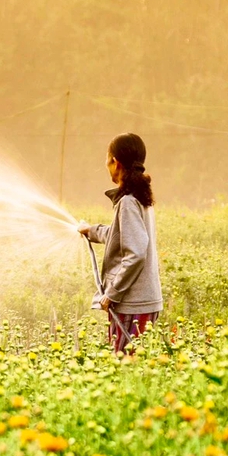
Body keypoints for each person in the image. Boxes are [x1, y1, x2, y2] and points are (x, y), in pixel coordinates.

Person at [76, 132, 162, 354]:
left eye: (107, 159)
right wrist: (91, 231)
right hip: (145, 302)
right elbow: (120, 236)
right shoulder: (139, 198)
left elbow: (135, 254)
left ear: (115, 162)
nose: (106, 165)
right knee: (138, 365)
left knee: (125, 368)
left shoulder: (128, 202)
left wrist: (112, 293)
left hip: (133, 304)